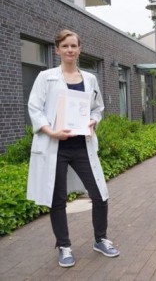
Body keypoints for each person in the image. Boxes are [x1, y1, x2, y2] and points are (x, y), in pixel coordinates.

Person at [27, 29, 120, 267]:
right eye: (65, 46)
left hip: (82, 145)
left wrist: (94, 121)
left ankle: (100, 239)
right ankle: (64, 245)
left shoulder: (89, 79)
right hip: (55, 145)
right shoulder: (45, 77)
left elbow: (97, 108)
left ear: (80, 49)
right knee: (57, 198)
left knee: (100, 194)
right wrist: (50, 131)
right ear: (57, 50)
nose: (70, 50)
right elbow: (34, 108)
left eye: (73, 46)